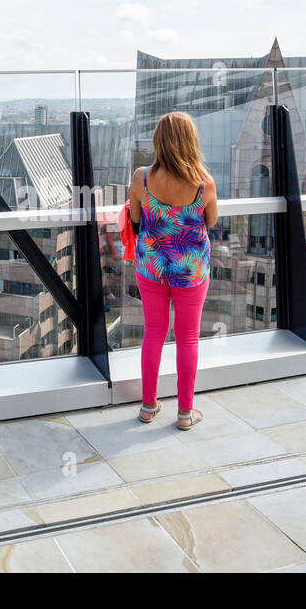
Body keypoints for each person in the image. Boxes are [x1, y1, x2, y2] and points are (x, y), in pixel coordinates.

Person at [129, 111, 218, 430]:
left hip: (151, 266)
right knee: (188, 337)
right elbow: (211, 221)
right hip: (190, 269)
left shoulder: (141, 177)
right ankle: (185, 413)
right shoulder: (204, 183)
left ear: (158, 140)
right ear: (190, 141)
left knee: (153, 332)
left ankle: (148, 407)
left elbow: (136, 219)